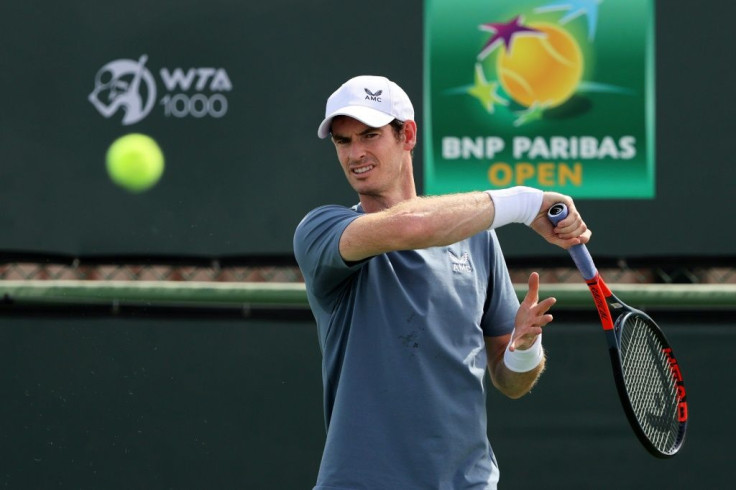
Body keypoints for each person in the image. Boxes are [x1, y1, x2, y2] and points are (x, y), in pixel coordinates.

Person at [293, 75, 591, 489]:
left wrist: (525, 348)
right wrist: (526, 202)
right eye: (343, 142)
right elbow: (411, 225)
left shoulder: (478, 238)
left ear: (407, 135)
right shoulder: (321, 230)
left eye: (370, 135)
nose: (356, 153)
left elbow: (510, 382)